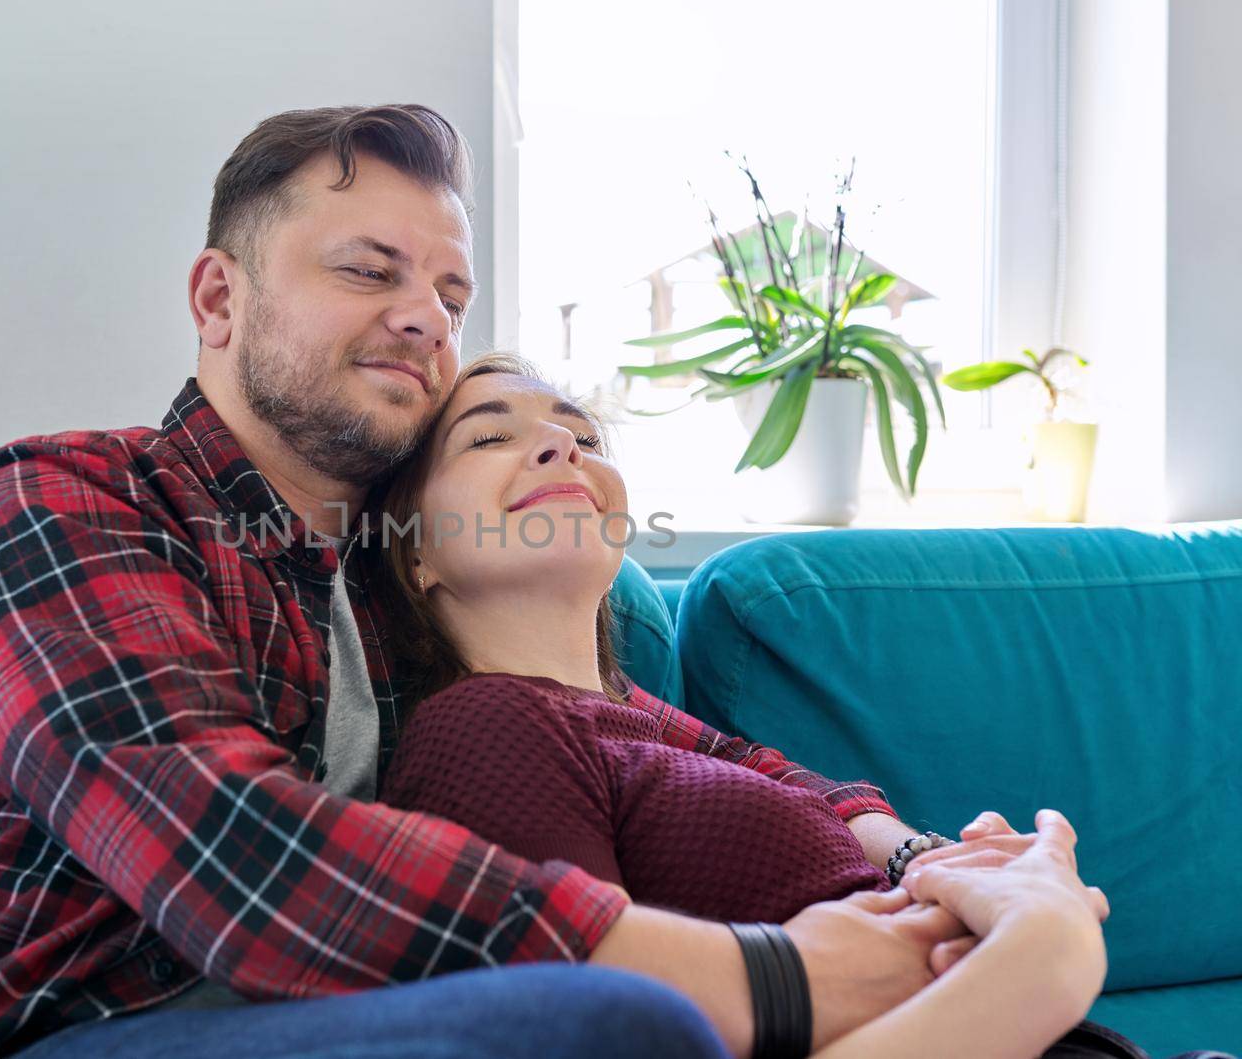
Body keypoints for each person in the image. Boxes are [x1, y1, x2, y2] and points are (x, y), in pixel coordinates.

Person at [0, 103, 1033, 1059]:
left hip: (321, 1022)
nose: (424, 318)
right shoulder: (56, 501)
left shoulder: (390, 588)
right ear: (216, 297)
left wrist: (925, 855)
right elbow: (226, 850)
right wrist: (771, 971)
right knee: (615, 1018)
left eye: (448, 294)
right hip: (64, 1032)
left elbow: (642, 728)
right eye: (368, 271)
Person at [371, 354, 1124, 1057]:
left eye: (584, 436)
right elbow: (590, 1025)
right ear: (415, 551)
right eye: (490, 436)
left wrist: (937, 863)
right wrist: (1043, 941)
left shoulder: (637, 722)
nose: (561, 447)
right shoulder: (484, 725)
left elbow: (766, 768)